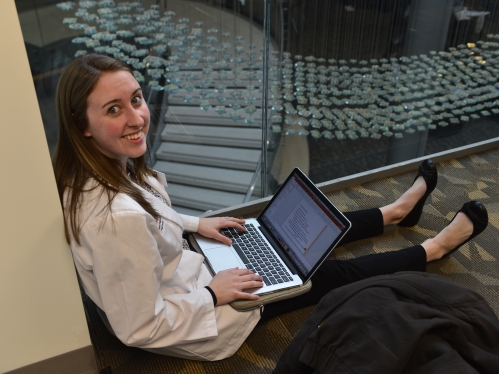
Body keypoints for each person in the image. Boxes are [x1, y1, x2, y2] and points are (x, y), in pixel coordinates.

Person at [53, 54, 489, 361]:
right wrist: (212, 293)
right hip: (199, 315)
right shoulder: (116, 220)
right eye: (114, 109)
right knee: (317, 275)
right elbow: (138, 328)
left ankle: (395, 213)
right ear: (82, 126)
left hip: (191, 270)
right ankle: (431, 251)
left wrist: (195, 223)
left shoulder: (94, 172)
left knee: (280, 234)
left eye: (136, 98)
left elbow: (146, 220)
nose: (136, 117)